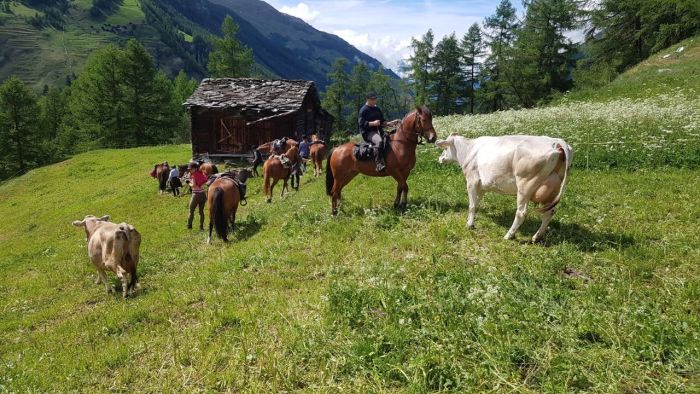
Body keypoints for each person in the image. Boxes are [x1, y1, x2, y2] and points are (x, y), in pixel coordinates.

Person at [358, 91, 386, 172]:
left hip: (379, 131)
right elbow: (361, 124)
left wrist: (391, 123)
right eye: (372, 99)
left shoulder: (377, 108)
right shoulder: (363, 110)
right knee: (380, 141)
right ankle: (378, 164)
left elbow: (382, 120)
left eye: (375, 99)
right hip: (368, 133)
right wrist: (373, 123)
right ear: (367, 99)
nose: (374, 101)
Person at [186, 162, 208, 230]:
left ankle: (189, 226)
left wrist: (189, 182)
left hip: (196, 195)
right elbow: (205, 181)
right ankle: (201, 226)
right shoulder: (202, 173)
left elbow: (194, 185)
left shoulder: (193, 175)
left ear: (195, 168)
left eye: (191, 169)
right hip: (203, 195)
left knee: (191, 210)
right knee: (201, 212)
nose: (190, 170)